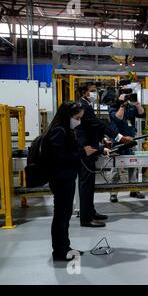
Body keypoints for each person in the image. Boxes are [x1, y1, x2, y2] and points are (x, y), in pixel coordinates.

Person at [45, 101, 99, 261]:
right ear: (67, 115)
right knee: (61, 217)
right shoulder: (58, 132)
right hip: (61, 180)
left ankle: (64, 247)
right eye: (77, 117)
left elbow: (74, 150)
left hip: (66, 179)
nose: (79, 121)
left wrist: (100, 149)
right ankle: (59, 251)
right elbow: (60, 157)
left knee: (64, 216)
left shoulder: (66, 131)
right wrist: (82, 153)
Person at [76, 84, 133, 227]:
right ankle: (86, 219)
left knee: (89, 186)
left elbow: (93, 127)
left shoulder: (86, 105)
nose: (96, 93)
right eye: (93, 91)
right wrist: (120, 138)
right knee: (86, 186)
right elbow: (98, 125)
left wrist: (103, 141)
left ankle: (91, 212)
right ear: (84, 92)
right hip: (86, 150)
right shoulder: (83, 106)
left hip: (92, 147)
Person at [108, 92, 146, 202]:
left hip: (130, 140)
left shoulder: (131, 107)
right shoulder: (113, 106)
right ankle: (113, 192)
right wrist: (122, 104)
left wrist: (137, 104)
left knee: (133, 164)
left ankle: (134, 190)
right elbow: (118, 118)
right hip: (117, 140)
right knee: (115, 167)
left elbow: (142, 114)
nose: (127, 98)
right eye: (125, 96)